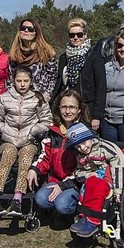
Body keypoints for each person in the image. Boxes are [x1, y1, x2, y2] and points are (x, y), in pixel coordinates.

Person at [0, 66, 52, 216]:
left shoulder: (38, 98)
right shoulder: (5, 98)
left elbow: (47, 121)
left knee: (26, 155)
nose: (22, 84)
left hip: (29, 141)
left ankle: (17, 198)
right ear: (13, 81)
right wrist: (6, 130)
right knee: (8, 153)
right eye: (19, 81)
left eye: (26, 81)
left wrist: (33, 131)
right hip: (8, 140)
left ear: (31, 81)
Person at [28, 89, 90, 219]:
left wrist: (63, 186)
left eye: (72, 107)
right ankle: (56, 208)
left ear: (79, 109)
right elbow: (45, 156)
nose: (68, 111)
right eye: (64, 107)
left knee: (62, 204)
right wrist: (34, 169)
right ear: (59, 108)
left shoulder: (84, 133)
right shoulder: (53, 131)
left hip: (75, 182)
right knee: (40, 199)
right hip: (55, 179)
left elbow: (85, 169)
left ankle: (71, 212)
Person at [64, 122, 124, 238]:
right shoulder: (80, 155)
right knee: (85, 188)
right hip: (92, 179)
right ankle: (84, 218)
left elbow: (118, 167)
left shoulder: (105, 148)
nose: (82, 148)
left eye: (84, 142)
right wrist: (89, 175)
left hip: (109, 177)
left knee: (96, 186)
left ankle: (93, 221)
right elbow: (79, 172)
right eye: (78, 146)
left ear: (91, 138)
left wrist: (119, 191)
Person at [52, 18, 106, 132]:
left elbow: (101, 87)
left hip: (87, 109)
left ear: (85, 35)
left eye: (79, 34)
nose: (76, 38)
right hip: (68, 109)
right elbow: (60, 84)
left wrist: (97, 115)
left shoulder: (94, 57)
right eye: (72, 35)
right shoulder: (64, 58)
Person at [8, 18, 58, 103]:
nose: (26, 31)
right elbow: (10, 78)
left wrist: (47, 94)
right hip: (19, 101)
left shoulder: (47, 53)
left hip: (40, 100)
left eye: (31, 29)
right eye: (23, 28)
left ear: (36, 33)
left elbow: (53, 77)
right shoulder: (14, 54)